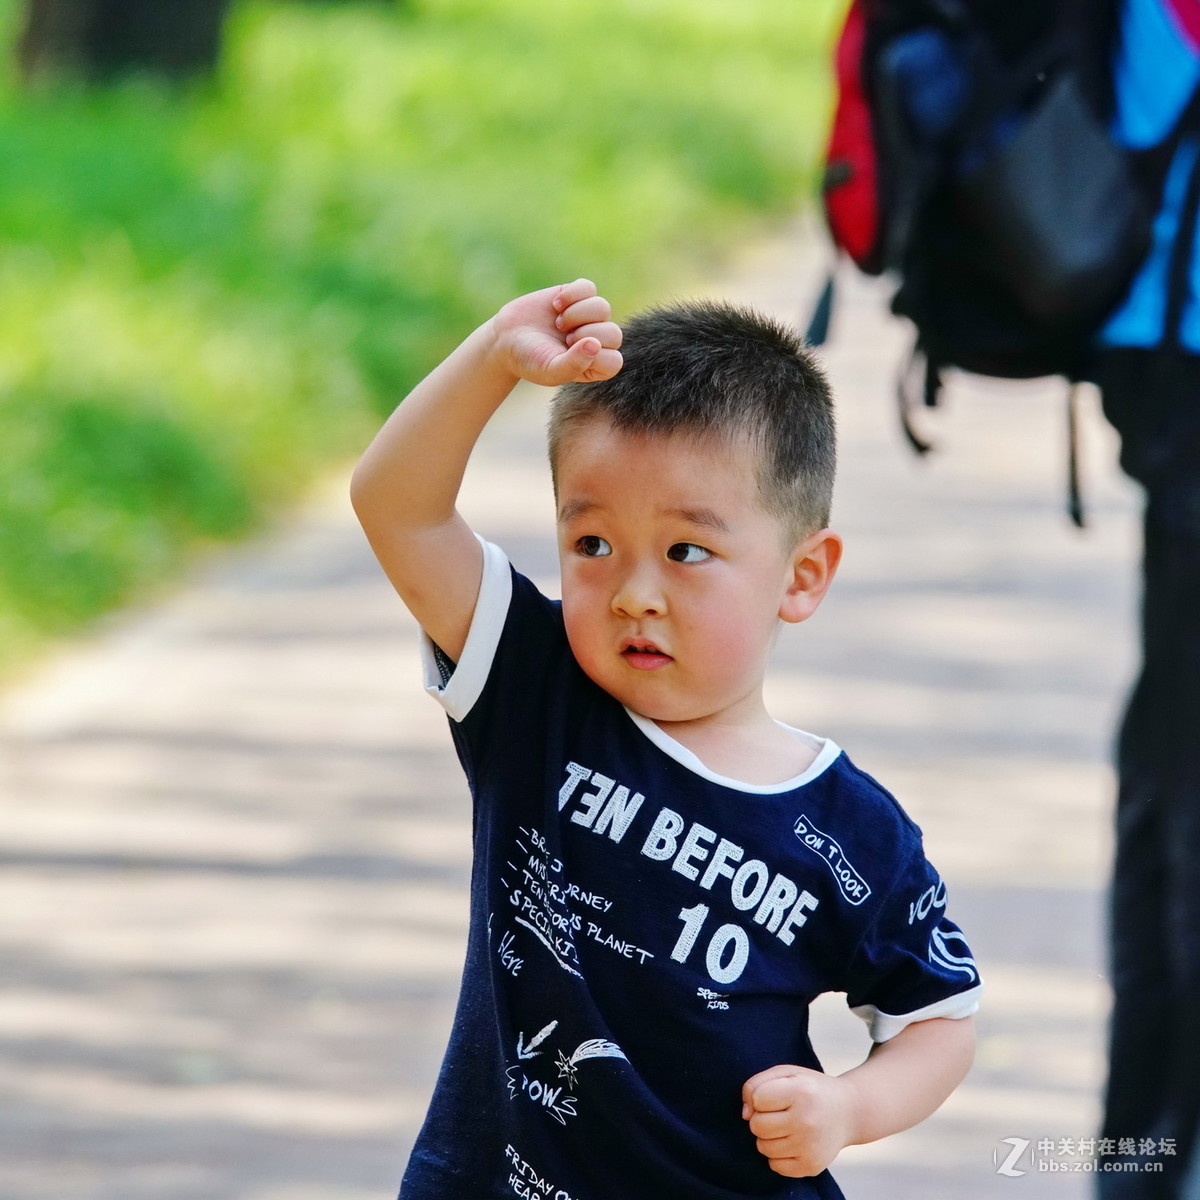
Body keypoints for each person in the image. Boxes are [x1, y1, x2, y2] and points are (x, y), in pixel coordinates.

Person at [350, 278, 981, 1199]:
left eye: (687, 551)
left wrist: (849, 1106)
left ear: (802, 575)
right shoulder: (532, 693)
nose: (634, 594)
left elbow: (938, 1022)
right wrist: (492, 357)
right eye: (593, 545)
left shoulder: (854, 834)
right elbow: (396, 505)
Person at [1092, 0, 1200, 1193]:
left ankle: (1141, 1154)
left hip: (1165, 345)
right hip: (1183, 338)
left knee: (1171, 766)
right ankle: (1148, 1157)